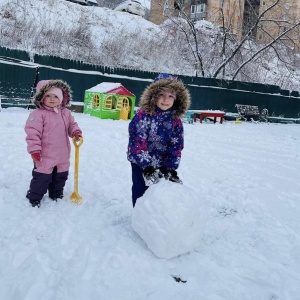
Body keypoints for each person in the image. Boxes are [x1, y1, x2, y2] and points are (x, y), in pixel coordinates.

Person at [127, 73, 191, 207]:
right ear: (154, 95)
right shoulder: (143, 116)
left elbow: (176, 145)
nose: (165, 99)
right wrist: (147, 166)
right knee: (141, 190)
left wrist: (170, 168)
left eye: (170, 96)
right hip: (141, 164)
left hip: (162, 163)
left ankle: (157, 219)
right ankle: (139, 215)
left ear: (176, 99)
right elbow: (137, 141)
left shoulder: (176, 121)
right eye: (161, 94)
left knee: (159, 193)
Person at [25, 79, 83, 207]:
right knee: (42, 177)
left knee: (60, 176)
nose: (52, 99)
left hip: (62, 153)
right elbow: (32, 133)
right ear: (41, 97)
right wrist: (35, 150)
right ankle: (34, 196)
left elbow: (72, 125)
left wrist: (76, 132)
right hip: (45, 154)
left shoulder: (66, 113)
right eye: (48, 96)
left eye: (56, 96)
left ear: (62, 98)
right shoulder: (38, 114)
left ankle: (56, 194)